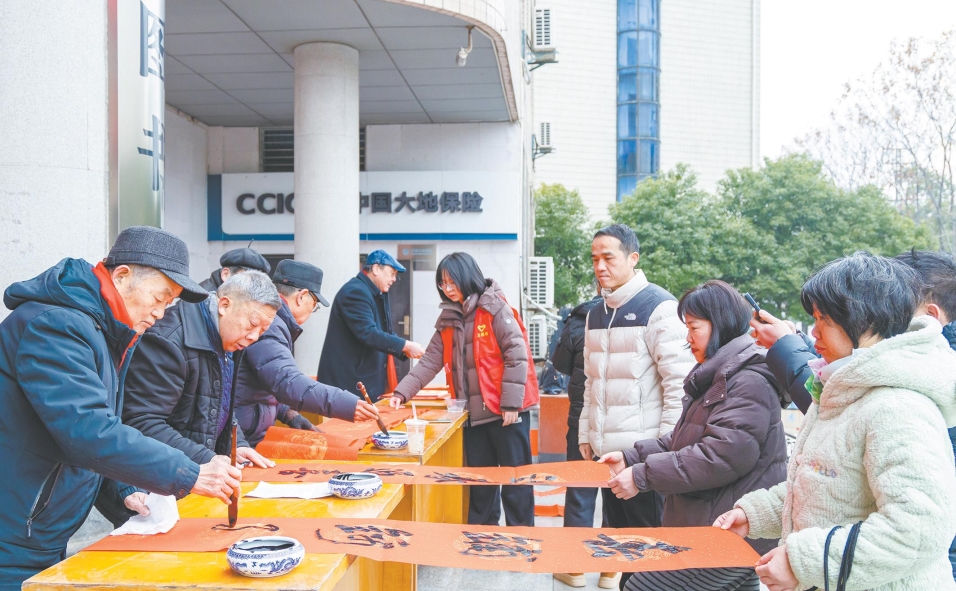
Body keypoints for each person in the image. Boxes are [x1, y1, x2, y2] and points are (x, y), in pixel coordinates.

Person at [0, 226, 242, 590]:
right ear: (122, 275)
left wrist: (123, 489)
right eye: (159, 297)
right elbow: (87, 431)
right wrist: (189, 473)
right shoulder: (57, 325)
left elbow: (81, 434)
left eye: (169, 304)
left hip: (38, 528)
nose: (160, 313)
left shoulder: (105, 330)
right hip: (13, 531)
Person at [716, 252, 956, 591]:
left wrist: (803, 562)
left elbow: (917, 530)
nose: (813, 333)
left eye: (823, 319)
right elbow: (824, 483)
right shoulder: (842, 389)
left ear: (864, 319)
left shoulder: (898, 406)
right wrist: (753, 514)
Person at [600, 280, 787, 591]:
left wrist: (643, 475)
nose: (688, 338)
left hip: (723, 534)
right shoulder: (721, 374)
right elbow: (683, 439)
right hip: (720, 528)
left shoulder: (746, 381)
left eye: (694, 327)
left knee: (639, 586)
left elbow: (720, 456)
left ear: (720, 325)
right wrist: (630, 457)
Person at [580, 224, 694, 590]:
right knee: (622, 546)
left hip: (646, 457)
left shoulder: (660, 307)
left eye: (608, 257)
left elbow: (680, 386)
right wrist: (586, 434)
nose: (600, 266)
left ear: (633, 258)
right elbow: (591, 382)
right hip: (608, 456)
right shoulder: (595, 313)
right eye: (594, 259)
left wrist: (665, 447)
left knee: (649, 551)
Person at [388, 252, 538, 526]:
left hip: (506, 412)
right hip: (474, 417)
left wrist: (511, 404)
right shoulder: (449, 318)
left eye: (451, 282)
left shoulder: (495, 308)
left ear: (467, 277)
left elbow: (517, 356)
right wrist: (402, 392)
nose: (447, 288)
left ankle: (521, 539)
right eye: (442, 283)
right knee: (480, 484)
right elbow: (429, 361)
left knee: (516, 481)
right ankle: (482, 538)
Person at [122, 271, 281, 469]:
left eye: (263, 331)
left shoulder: (229, 339)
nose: (254, 336)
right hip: (160, 473)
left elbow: (219, 404)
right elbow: (142, 423)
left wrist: (236, 445)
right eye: (253, 324)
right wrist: (206, 458)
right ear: (224, 305)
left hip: (196, 469)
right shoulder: (168, 341)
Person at [234, 260, 381, 446]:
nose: (313, 310)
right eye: (315, 304)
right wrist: (347, 404)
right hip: (240, 440)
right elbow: (287, 381)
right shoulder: (271, 325)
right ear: (302, 296)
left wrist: (288, 413)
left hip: (247, 431)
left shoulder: (276, 323)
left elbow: (266, 381)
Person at [318, 250, 425, 399]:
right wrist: (405, 345)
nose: (394, 279)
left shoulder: (374, 293)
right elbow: (368, 333)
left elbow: (383, 331)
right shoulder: (355, 292)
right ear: (375, 269)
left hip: (362, 381)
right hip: (348, 384)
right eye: (391, 273)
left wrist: (404, 349)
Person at [551, 291, 602, 589]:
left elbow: (560, 363)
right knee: (619, 494)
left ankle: (575, 567)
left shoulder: (580, 318)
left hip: (582, 417)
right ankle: (611, 570)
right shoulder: (641, 314)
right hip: (625, 423)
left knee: (581, 491)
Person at [199, 246, 272, 291]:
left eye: (256, 282)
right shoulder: (204, 300)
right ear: (226, 274)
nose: (252, 287)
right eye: (246, 280)